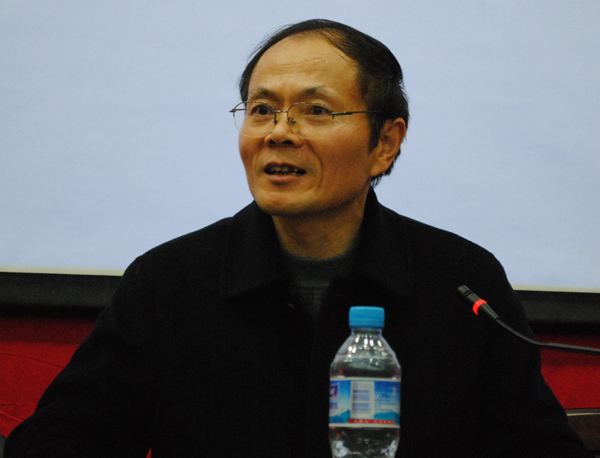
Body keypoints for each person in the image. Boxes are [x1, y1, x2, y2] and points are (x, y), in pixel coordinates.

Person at [5, 19, 592, 458]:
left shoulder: (462, 283)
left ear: (386, 143)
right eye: (262, 110)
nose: (278, 133)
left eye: (315, 111)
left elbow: (536, 448)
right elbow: (66, 438)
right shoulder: (169, 283)